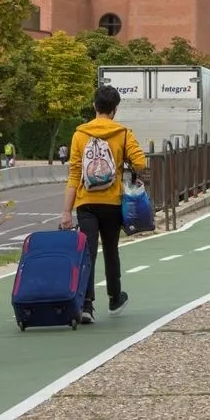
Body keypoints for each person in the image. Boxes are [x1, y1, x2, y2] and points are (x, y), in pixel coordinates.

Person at [60, 85, 148, 325]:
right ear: (115, 109)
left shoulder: (80, 133)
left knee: (87, 253)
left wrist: (66, 211)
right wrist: (127, 165)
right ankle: (114, 297)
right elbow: (141, 162)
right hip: (111, 201)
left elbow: (75, 174)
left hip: (86, 201)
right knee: (111, 249)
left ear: (94, 106)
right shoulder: (122, 133)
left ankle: (86, 304)